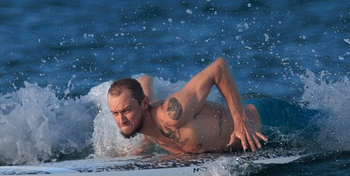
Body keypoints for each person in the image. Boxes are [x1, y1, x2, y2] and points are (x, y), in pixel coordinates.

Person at [105, 58, 267, 156]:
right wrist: (147, 141)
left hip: (268, 120)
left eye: (127, 111)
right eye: (115, 113)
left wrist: (240, 121)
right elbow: (145, 80)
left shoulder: (172, 114)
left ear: (144, 104)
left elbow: (219, 67)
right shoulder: (143, 122)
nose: (122, 120)